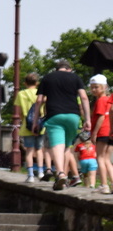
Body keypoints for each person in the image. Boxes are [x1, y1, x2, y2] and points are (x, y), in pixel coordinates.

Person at [34, 59, 90, 191]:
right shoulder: (75, 77)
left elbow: (39, 100)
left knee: (57, 145)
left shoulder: (48, 78)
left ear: (56, 69)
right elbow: (84, 97)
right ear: (69, 69)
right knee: (67, 147)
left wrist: (36, 120)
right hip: (73, 117)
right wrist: (87, 119)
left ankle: (61, 174)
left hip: (54, 116)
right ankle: (63, 179)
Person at [14, 73, 42, 182]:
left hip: (27, 125)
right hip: (40, 124)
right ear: (37, 83)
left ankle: (30, 175)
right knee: (39, 149)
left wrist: (23, 119)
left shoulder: (21, 94)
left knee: (29, 150)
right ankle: (41, 171)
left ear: (25, 83)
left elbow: (20, 111)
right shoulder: (41, 93)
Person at [88, 74, 112, 194]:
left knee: (100, 158)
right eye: (92, 87)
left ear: (104, 87)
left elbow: (101, 117)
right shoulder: (109, 100)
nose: (93, 90)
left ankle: (104, 185)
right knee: (107, 159)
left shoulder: (101, 100)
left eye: (96, 87)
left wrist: (94, 133)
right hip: (109, 131)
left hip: (102, 132)